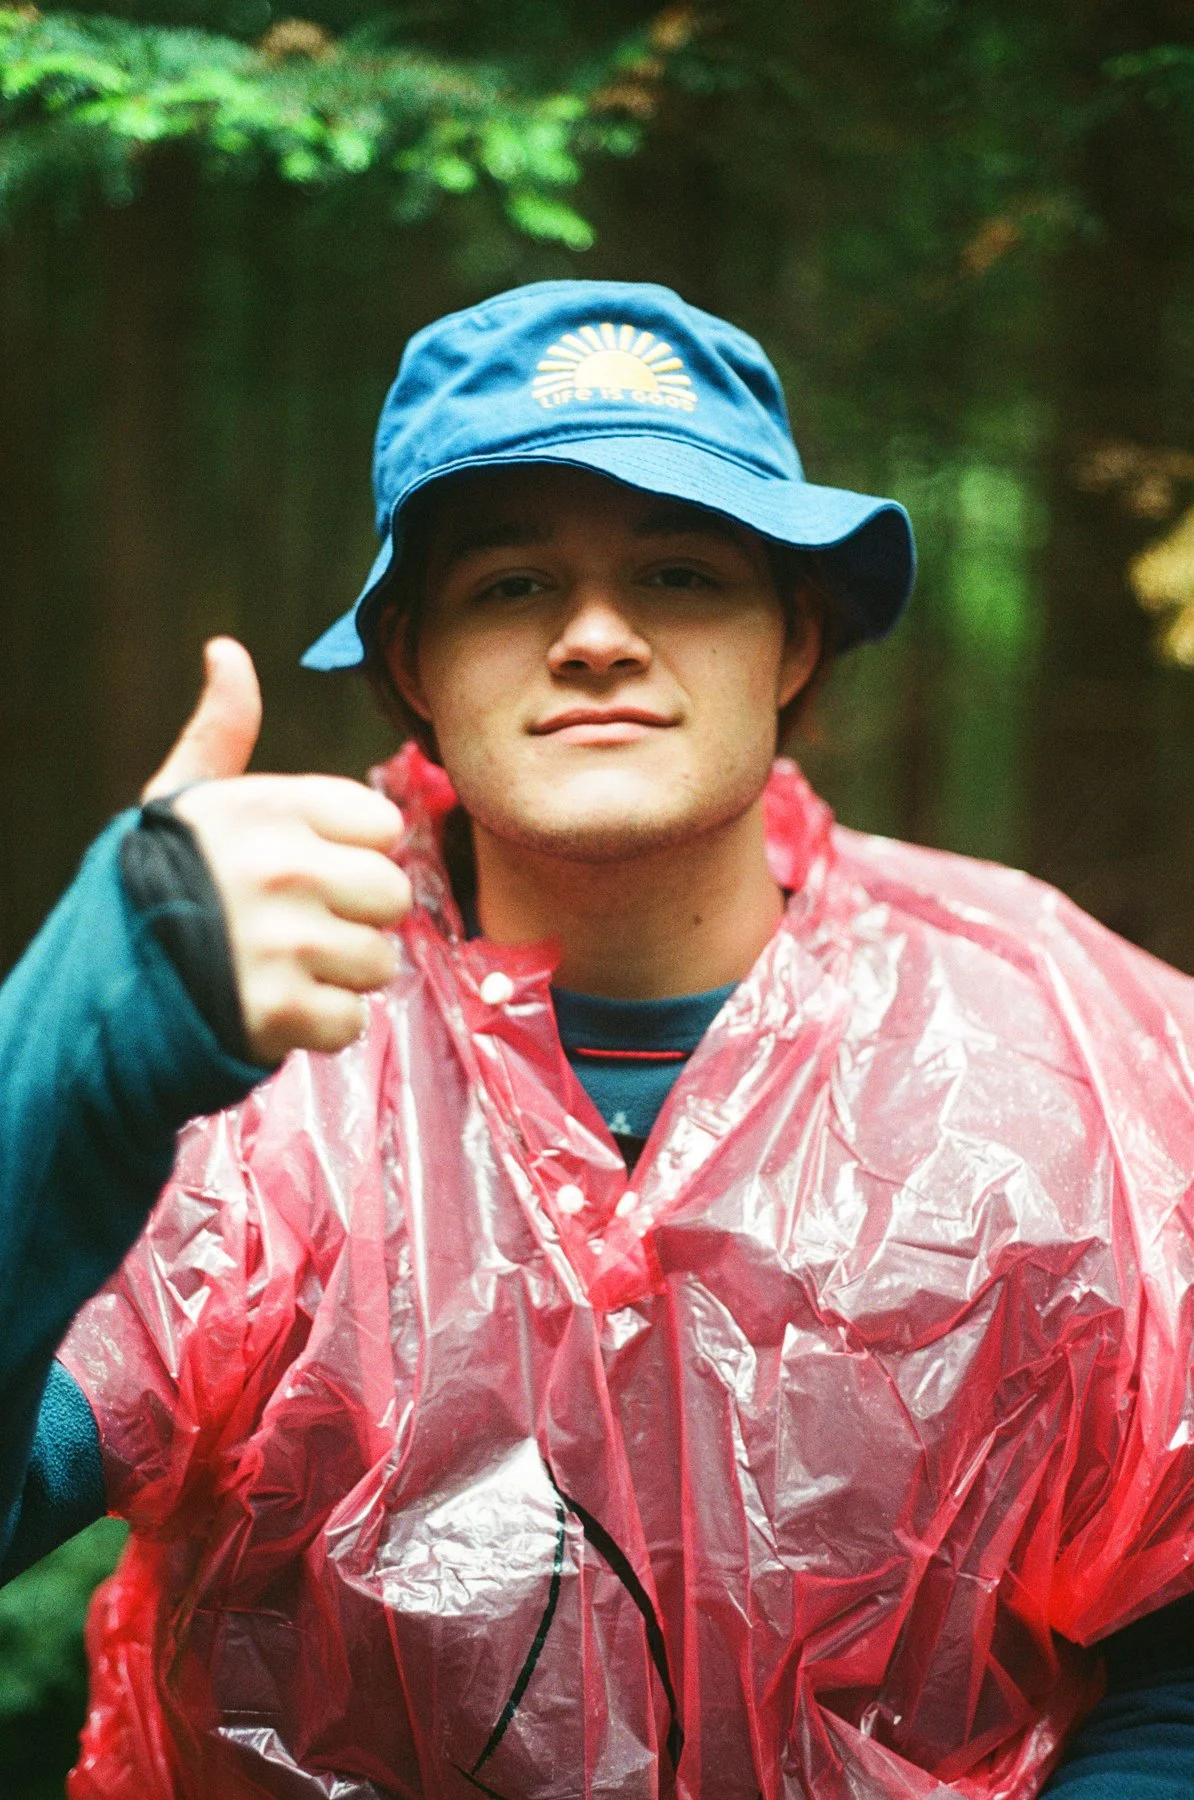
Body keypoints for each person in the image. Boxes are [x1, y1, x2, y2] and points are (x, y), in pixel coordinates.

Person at [3, 279, 1194, 1799]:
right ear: (415, 667)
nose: (595, 637)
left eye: (683, 572)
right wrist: (72, 1055)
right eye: (509, 584)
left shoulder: (1052, 1031)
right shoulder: (245, 1053)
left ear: (792, 646)